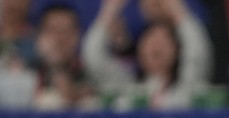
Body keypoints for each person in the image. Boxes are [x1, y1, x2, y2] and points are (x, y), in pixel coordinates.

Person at [81, 0, 212, 109]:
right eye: (150, 40)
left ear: (177, 51)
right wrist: (109, 11)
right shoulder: (127, 87)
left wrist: (177, 10)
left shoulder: (187, 88)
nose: (156, 46)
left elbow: (197, 52)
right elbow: (93, 57)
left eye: (164, 42)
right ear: (139, 50)